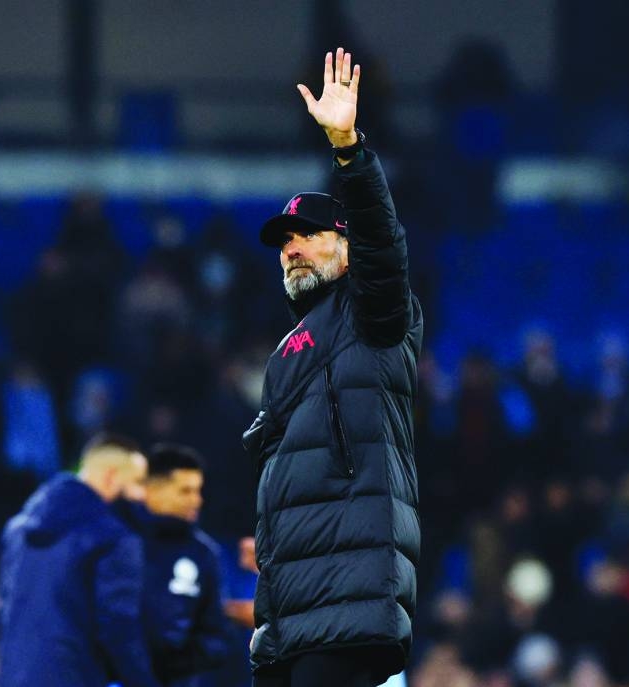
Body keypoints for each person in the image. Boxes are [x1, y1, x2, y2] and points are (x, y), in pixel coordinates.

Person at [243, 48, 423, 687]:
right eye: (283, 242)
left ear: (348, 248)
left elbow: (384, 242)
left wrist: (348, 149)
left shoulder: (375, 315)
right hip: (290, 615)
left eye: (307, 234)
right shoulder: (294, 344)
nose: (289, 248)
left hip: (348, 605)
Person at [0, 433, 161, 687]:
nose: (142, 495)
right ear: (110, 476)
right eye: (137, 482)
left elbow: (2, 616)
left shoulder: (18, 531)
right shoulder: (114, 537)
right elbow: (118, 629)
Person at [119, 443, 230, 686]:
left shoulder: (203, 554)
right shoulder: (118, 542)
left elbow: (216, 635)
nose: (196, 500)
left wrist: (176, 662)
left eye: (198, 491)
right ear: (153, 490)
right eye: (185, 491)